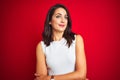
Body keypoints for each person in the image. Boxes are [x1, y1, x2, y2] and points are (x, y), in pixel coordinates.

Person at [34, 4, 87, 80]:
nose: (63, 20)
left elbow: (81, 75)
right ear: (50, 21)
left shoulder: (77, 39)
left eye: (65, 17)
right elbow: (41, 79)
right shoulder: (41, 46)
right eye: (58, 16)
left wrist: (51, 78)